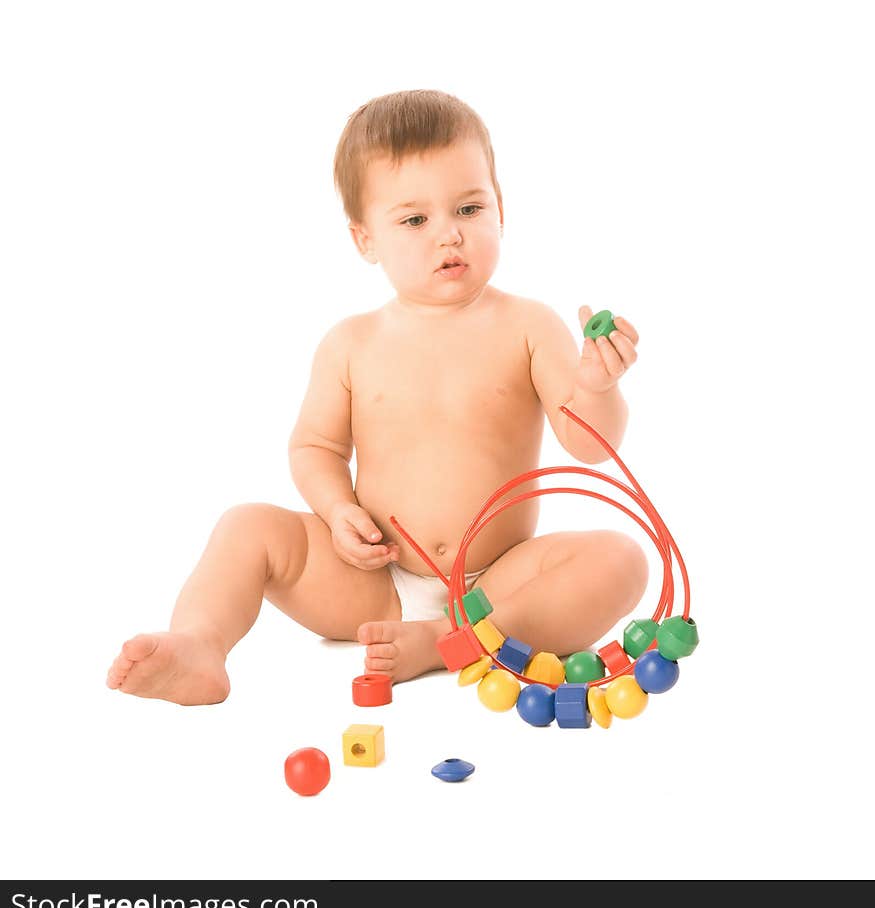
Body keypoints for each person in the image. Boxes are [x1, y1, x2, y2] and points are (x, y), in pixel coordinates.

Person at [106, 89, 649, 705]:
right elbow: (314, 447)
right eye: (415, 220)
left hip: (499, 583)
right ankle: (200, 644)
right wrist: (338, 513)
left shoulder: (529, 326)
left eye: (469, 208)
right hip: (375, 581)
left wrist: (598, 387)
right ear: (366, 239)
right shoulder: (351, 343)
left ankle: (449, 640)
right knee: (246, 527)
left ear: (502, 210)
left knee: (621, 559)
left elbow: (590, 445)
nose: (450, 235)